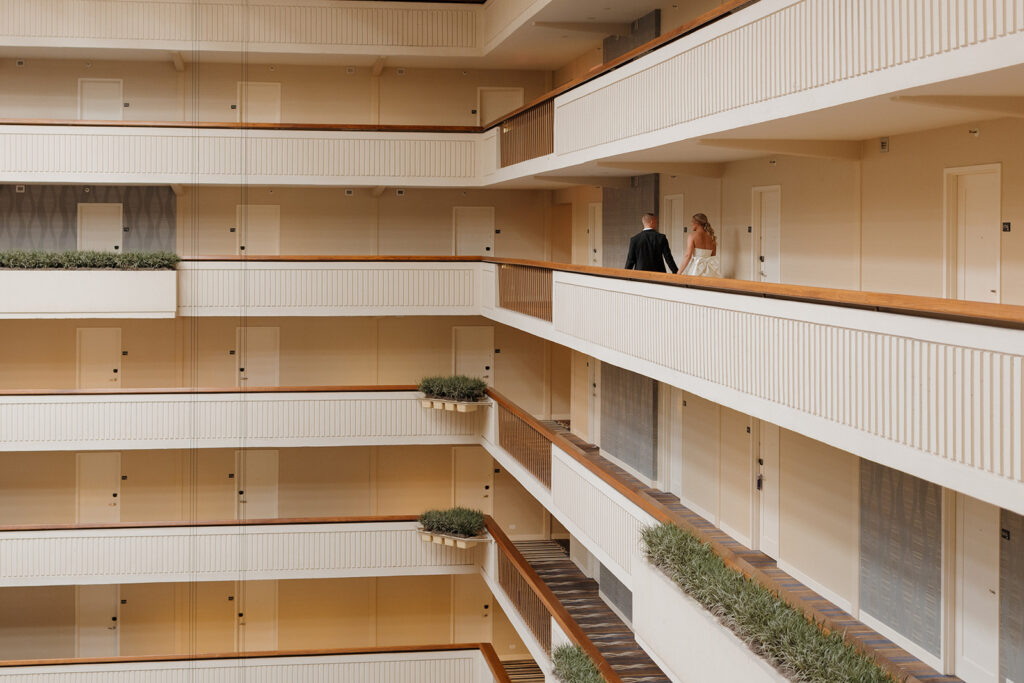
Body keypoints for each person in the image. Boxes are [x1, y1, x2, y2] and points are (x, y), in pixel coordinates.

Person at [678, 213, 721, 277]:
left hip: (696, 269)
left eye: (692, 222)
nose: (691, 224)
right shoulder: (712, 237)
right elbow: (712, 256)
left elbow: (687, 256)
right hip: (709, 270)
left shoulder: (692, 236)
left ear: (697, 223)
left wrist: (679, 273)